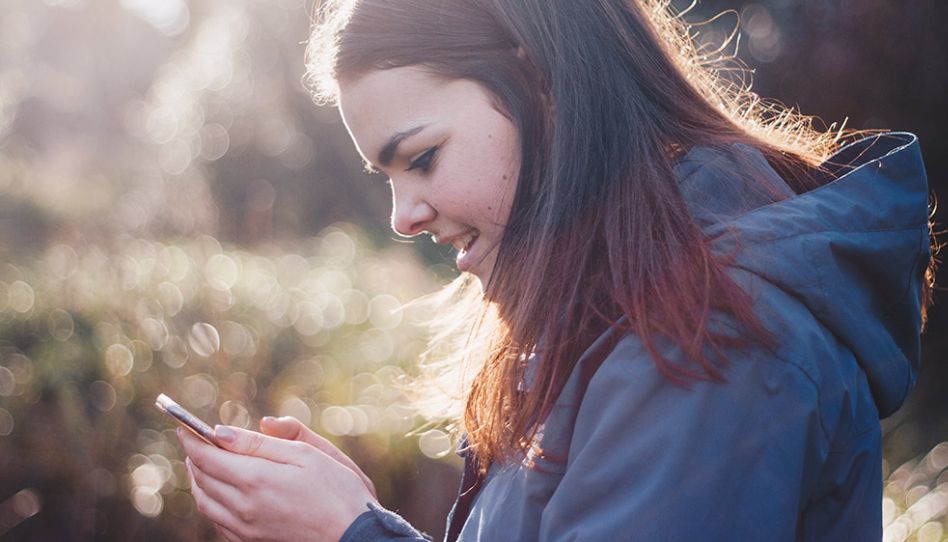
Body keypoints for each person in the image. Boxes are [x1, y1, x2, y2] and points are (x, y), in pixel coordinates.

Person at [176, 0, 935, 540]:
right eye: (388, 178)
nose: (403, 215)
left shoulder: (712, 341)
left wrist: (347, 534)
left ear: (540, 84)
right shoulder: (617, 315)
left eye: (422, 158)